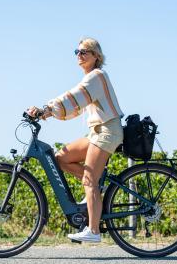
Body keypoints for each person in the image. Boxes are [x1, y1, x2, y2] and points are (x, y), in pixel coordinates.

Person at [27, 37, 124, 242]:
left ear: (96, 56)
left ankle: (94, 231)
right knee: (61, 158)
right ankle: (94, 190)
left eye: (84, 52)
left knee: (89, 180)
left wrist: (46, 108)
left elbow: (73, 98)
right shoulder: (90, 78)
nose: (79, 55)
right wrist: (47, 113)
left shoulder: (97, 76)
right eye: (77, 52)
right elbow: (76, 108)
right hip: (97, 132)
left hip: (107, 131)